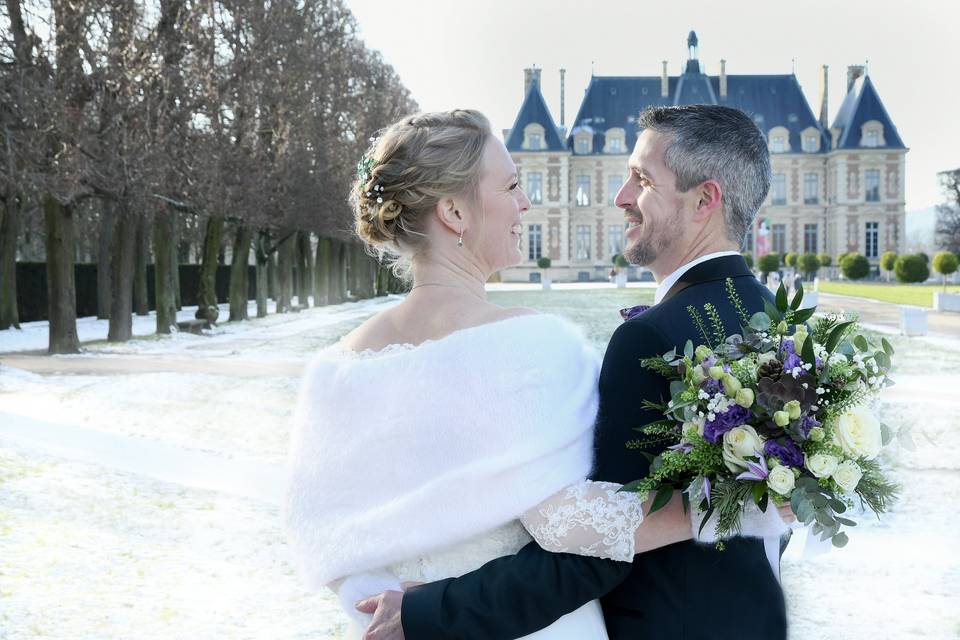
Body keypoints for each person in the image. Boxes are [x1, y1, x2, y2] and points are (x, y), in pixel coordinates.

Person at [283, 109, 791, 640]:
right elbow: (575, 534)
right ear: (454, 211)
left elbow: (321, 541)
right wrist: (747, 499)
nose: (526, 202)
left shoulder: (332, 374)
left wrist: (388, 610)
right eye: (511, 186)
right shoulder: (530, 347)